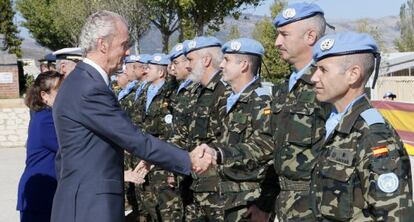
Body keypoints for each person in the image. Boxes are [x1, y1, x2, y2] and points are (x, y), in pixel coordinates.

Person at [50, 10, 215, 222]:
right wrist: (187, 159)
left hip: (82, 201)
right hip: (89, 207)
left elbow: (63, 158)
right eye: (124, 45)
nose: (127, 53)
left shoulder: (81, 81)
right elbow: (134, 139)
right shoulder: (89, 87)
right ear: (103, 44)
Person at [310, 31, 413, 221]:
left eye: (323, 70)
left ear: (353, 75)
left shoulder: (373, 135)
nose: (314, 78)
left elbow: (394, 214)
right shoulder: (333, 121)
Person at [253, 2, 331, 221]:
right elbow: (274, 150)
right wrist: (266, 203)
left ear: (310, 36)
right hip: (286, 206)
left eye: (284, 35)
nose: (277, 42)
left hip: (316, 209)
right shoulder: (285, 89)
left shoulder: (328, 86)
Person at [195, 38, 274, 221]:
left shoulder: (261, 101)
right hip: (225, 197)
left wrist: (265, 203)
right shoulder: (229, 99)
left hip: (248, 201)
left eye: (227, 60)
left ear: (244, 65)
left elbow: (265, 147)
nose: (221, 65)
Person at [17, 71, 64, 222]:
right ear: (44, 95)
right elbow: (69, 150)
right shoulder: (46, 119)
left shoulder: (47, 115)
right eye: (60, 90)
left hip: (44, 192)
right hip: (40, 194)